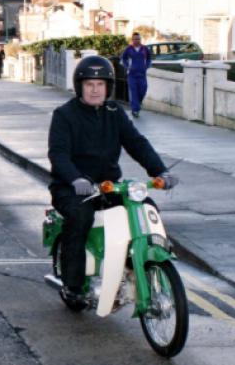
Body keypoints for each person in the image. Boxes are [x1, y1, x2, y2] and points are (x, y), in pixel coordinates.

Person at [47, 55, 178, 308]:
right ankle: (73, 285)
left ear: (108, 87)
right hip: (71, 188)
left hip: (109, 186)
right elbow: (58, 154)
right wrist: (75, 178)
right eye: (89, 84)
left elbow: (136, 143)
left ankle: (136, 263)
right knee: (81, 216)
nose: (95, 90)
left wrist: (160, 171)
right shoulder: (64, 115)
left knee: (146, 207)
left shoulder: (114, 112)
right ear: (80, 86)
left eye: (100, 84)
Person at [120, 32, 152, 118]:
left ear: (140, 39)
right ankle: (135, 110)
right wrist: (127, 66)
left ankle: (138, 103)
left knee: (143, 90)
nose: (137, 40)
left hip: (142, 74)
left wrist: (147, 65)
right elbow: (123, 58)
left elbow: (149, 58)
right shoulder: (129, 49)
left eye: (138, 39)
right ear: (132, 40)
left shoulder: (145, 49)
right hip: (132, 75)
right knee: (133, 92)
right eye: (135, 39)